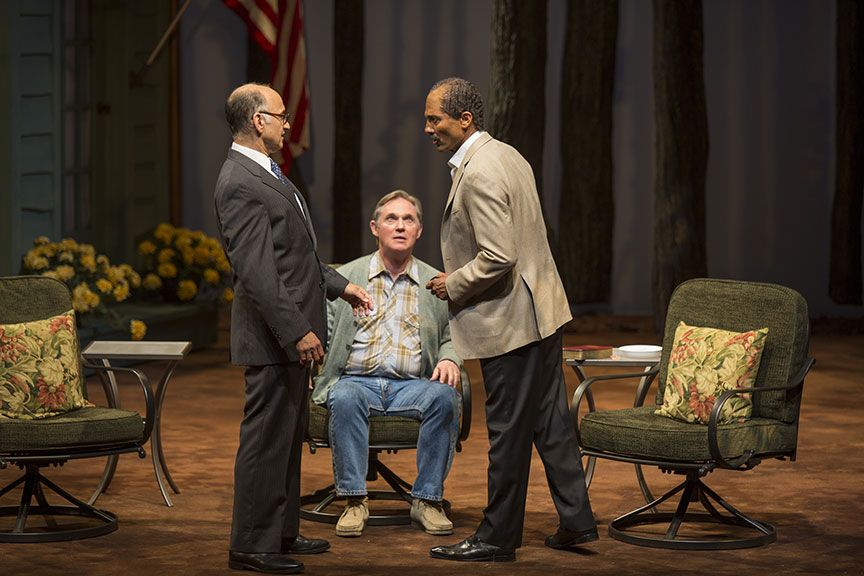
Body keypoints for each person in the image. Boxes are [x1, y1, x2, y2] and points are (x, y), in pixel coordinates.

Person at [423, 77, 598, 563]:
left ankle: (497, 537)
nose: (428, 128)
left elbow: (498, 255)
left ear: (465, 120)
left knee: (507, 432)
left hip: (511, 323)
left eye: (434, 118)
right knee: (551, 421)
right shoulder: (508, 154)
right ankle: (577, 521)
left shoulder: (478, 172)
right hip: (541, 312)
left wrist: (452, 283)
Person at [215, 82, 373, 575]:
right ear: (258, 121)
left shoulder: (267, 173)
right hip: (271, 337)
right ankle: (251, 544)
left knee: (285, 437)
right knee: (265, 440)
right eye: (282, 115)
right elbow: (258, 273)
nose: (289, 123)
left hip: (286, 333)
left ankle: (281, 530)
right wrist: (297, 330)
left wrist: (337, 284)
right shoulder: (239, 180)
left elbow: (292, 254)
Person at [312, 190, 463, 539]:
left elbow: (453, 334)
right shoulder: (347, 276)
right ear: (375, 227)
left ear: (419, 230)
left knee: (445, 398)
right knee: (345, 396)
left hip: (412, 385)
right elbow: (324, 329)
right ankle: (353, 500)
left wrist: (450, 357)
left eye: (408, 219)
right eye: (391, 219)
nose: (399, 226)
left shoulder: (435, 283)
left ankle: (426, 500)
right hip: (356, 380)